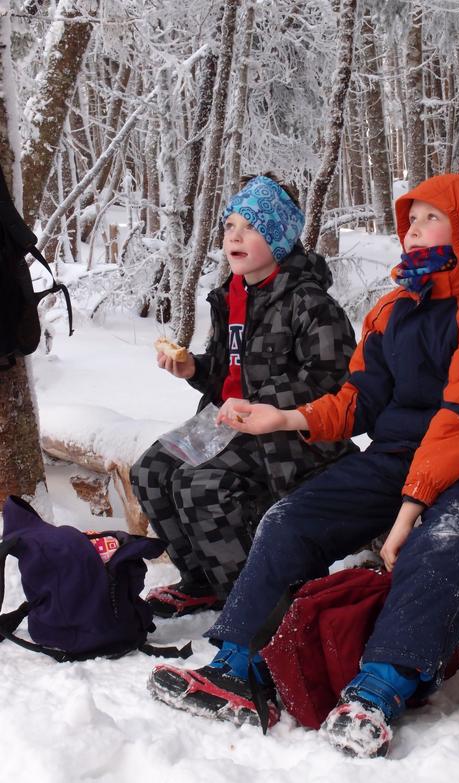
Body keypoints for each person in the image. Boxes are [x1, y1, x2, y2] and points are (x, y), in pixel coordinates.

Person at [146, 173, 459, 758]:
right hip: (399, 454)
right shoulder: (393, 309)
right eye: (411, 217)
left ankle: (380, 688)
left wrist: (407, 517)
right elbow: (358, 401)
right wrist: (286, 419)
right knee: (289, 519)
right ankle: (238, 665)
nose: (412, 229)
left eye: (431, 218)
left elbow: (458, 423)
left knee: (439, 545)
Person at [130, 174, 357, 617]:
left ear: (278, 236)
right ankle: (202, 582)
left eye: (249, 227)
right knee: (150, 472)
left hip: (290, 437)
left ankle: (252, 605)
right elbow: (226, 377)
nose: (234, 236)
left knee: (199, 485)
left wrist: (264, 402)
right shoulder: (231, 297)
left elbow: (334, 382)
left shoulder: (310, 303)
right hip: (228, 424)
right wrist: (194, 368)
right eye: (229, 225)